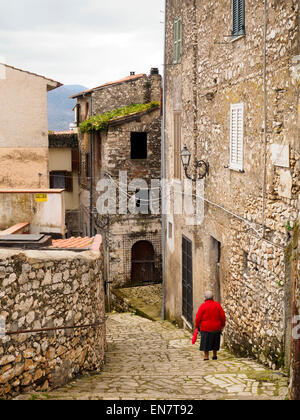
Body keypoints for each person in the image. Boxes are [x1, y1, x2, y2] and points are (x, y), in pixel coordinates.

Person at [195, 291, 226, 361]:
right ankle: (214, 355)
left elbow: (198, 318)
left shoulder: (202, 306)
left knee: (205, 342)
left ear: (204, 298)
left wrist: (197, 326)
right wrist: (222, 325)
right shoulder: (217, 305)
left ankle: (206, 356)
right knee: (215, 341)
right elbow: (223, 316)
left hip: (205, 328)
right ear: (213, 297)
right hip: (216, 328)